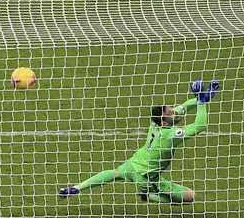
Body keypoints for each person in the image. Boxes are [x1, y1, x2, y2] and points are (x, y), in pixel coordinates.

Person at [58, 81, 219, 204]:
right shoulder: (170, 135)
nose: (175, 112)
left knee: (115, 173)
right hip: (147, 178)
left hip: (135, 162)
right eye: (171, 112)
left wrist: (200, 99)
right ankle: (148, 196)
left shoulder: (155, 123)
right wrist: (202, 104)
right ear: (164, 122)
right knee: (190, 196)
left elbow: (182, 108)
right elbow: (200, 126)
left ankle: (76, 188)